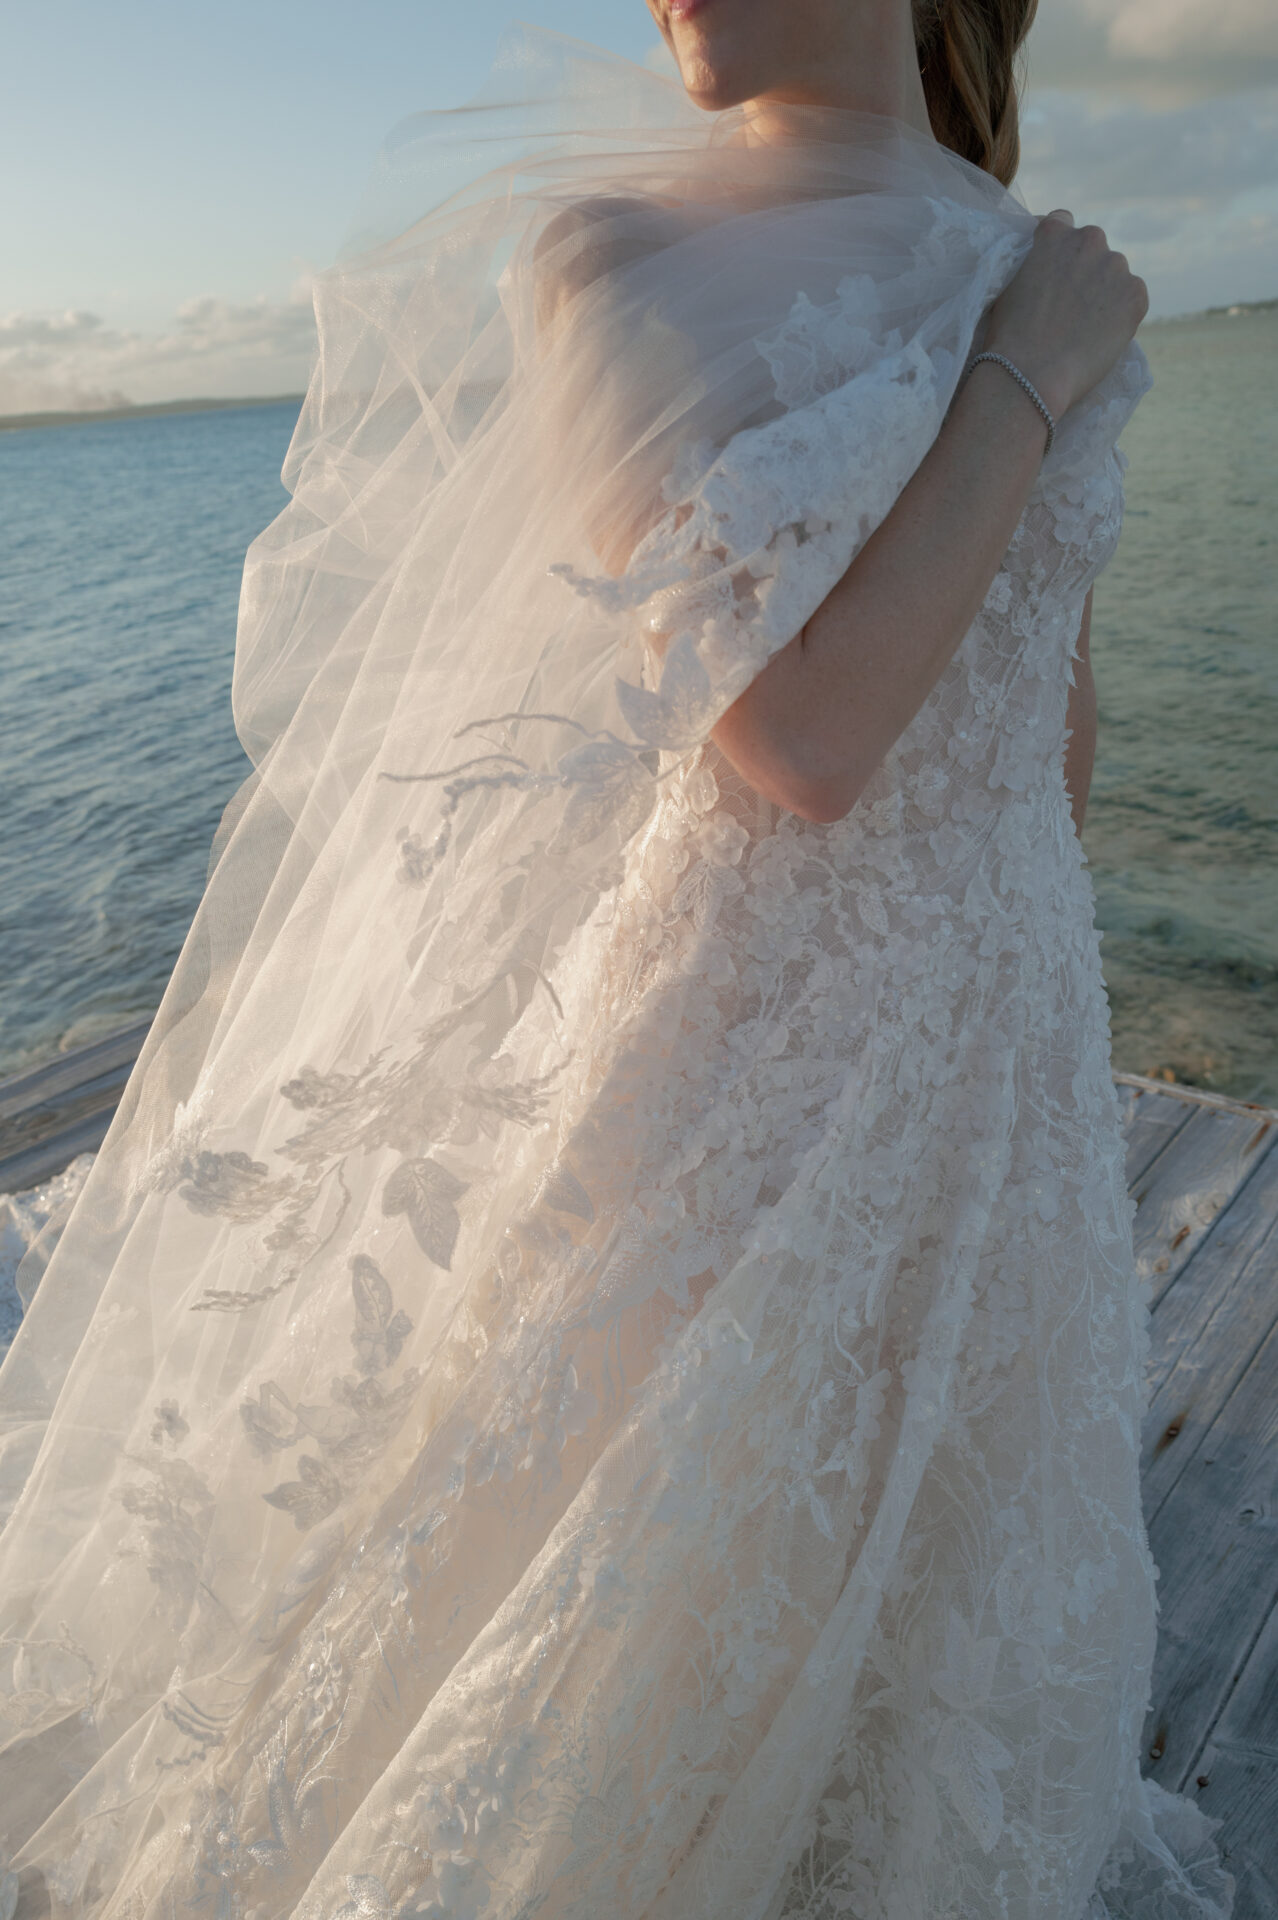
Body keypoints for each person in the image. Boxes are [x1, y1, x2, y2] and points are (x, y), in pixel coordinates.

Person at [0, 4, 1236, 1916]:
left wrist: (1035, 1008)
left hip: (1001, 1015)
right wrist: (1023, 382)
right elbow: (799, 744)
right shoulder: (617, 264)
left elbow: (1046, 708)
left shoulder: (1035, 262)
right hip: (732, 1053)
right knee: (643, 1596)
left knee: (940, 1568)